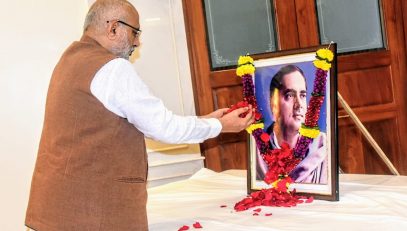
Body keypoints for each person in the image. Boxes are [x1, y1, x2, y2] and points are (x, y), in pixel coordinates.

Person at [24, 1, 254, 230]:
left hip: (55, 209)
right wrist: (219, 126)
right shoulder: (112, 68)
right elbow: (162, 128)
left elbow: (120, 123)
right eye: (135, 32)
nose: (137, 41)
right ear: (113, 28)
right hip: (91, 215)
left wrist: (207, 120)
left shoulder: (69, 60)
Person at [256, 64, 327, 184]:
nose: (299, 105)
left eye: (303, 95)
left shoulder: (322, 146)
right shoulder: (257, 151)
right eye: (290, 95)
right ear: (273, 103)